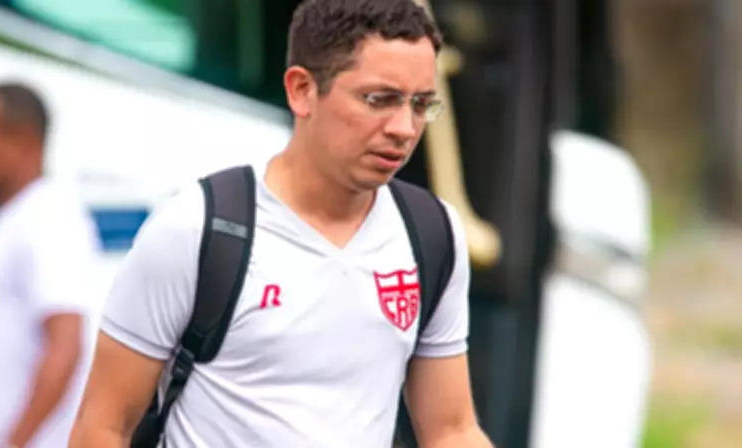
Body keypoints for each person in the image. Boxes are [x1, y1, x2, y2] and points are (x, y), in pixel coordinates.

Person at [69, 0, 493, 446]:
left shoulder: (431, 232)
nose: (404, 128)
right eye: (379, 100)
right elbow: (102, 426)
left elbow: (451, 429)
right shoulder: (198, 229)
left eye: (421, 104)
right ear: (302, 90)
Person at [0, 82, 100, 448]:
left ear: (21, 141)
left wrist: (15, 444)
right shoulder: (16, 217)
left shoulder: (48, 216)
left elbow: (65, 345)